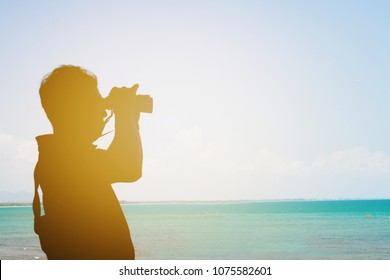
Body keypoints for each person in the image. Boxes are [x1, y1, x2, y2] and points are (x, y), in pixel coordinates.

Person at [33, 65, 143, 259]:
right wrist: (125, 115)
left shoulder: (57, 154)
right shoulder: (66, 159)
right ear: (75, 110)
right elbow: (129, 168)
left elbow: (123, 162)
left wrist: (129, 119)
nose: (103, 112)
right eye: (95, 102)